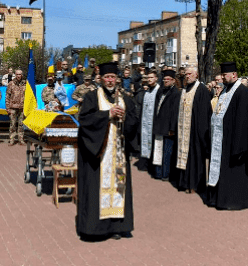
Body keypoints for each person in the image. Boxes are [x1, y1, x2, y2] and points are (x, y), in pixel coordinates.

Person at [76, 62, 138, 240]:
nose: (110, 80)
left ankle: (117, 227)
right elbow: (85, 120)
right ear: (101, 79)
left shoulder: (125, 99)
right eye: (107, 77)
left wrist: (125, 118)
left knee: (119, 190)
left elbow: (134, 121)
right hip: (99, 155)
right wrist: (107, 115)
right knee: (97, 191)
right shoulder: (92, 97)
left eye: (112, 77)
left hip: (118, 153)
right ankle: (97, 229)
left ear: (117, 79)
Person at [205, 62, 248, 210]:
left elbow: (243, 120)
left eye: (224, 75)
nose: (222, 78)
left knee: (234, 173)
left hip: (235, 141)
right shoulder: (226, 91)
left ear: (234, 75)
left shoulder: (243, 92)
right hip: (221, 139)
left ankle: (234, 201)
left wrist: (238, 145)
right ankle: (220, 198)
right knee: (222, 171)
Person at [173, 66, 211, 193]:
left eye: (190, 74)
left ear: (196, 75)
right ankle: (184, 183)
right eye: (186, 74)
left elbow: (205, 114)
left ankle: (195, 184)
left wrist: (201, 133)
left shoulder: (201, 90)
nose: (187, 76)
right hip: (183, 132)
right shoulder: (184, 90)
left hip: (195, 133)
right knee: (184, 158)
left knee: (195, 159)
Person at [151, 69, 180, 180]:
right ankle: (158, 173)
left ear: (173, 80)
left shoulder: (176, 93)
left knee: (167, 153)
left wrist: (172, 128)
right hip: (159, 126)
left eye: (168, 79)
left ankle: (165, 174)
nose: (166, 81)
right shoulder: (161, 91)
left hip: (168, 128)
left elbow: (175, 112)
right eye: (164, 79)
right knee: (157, 151)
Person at [133, 70, 159, 172]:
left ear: (156, 78)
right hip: (145, 123)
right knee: (144, 144)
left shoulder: (158, 91)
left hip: (154, 123)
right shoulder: (146, 91)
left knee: (153, 145)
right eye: (148, 78)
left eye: (151, 77)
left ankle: (152, 167)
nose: (149, 79)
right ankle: (145, 164)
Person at [5, 69, 26, 145]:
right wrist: (7, 108)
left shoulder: (25, 84)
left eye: (20, 74)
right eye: (17, 74)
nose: (18, 76)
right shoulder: (11, 83)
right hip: (13, 107)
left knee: (21, 124)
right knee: (12, 124)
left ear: (22, 75)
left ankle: (21, 139)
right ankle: (12, 139)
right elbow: (7, 96)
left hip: (22, 107)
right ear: (15, 75)